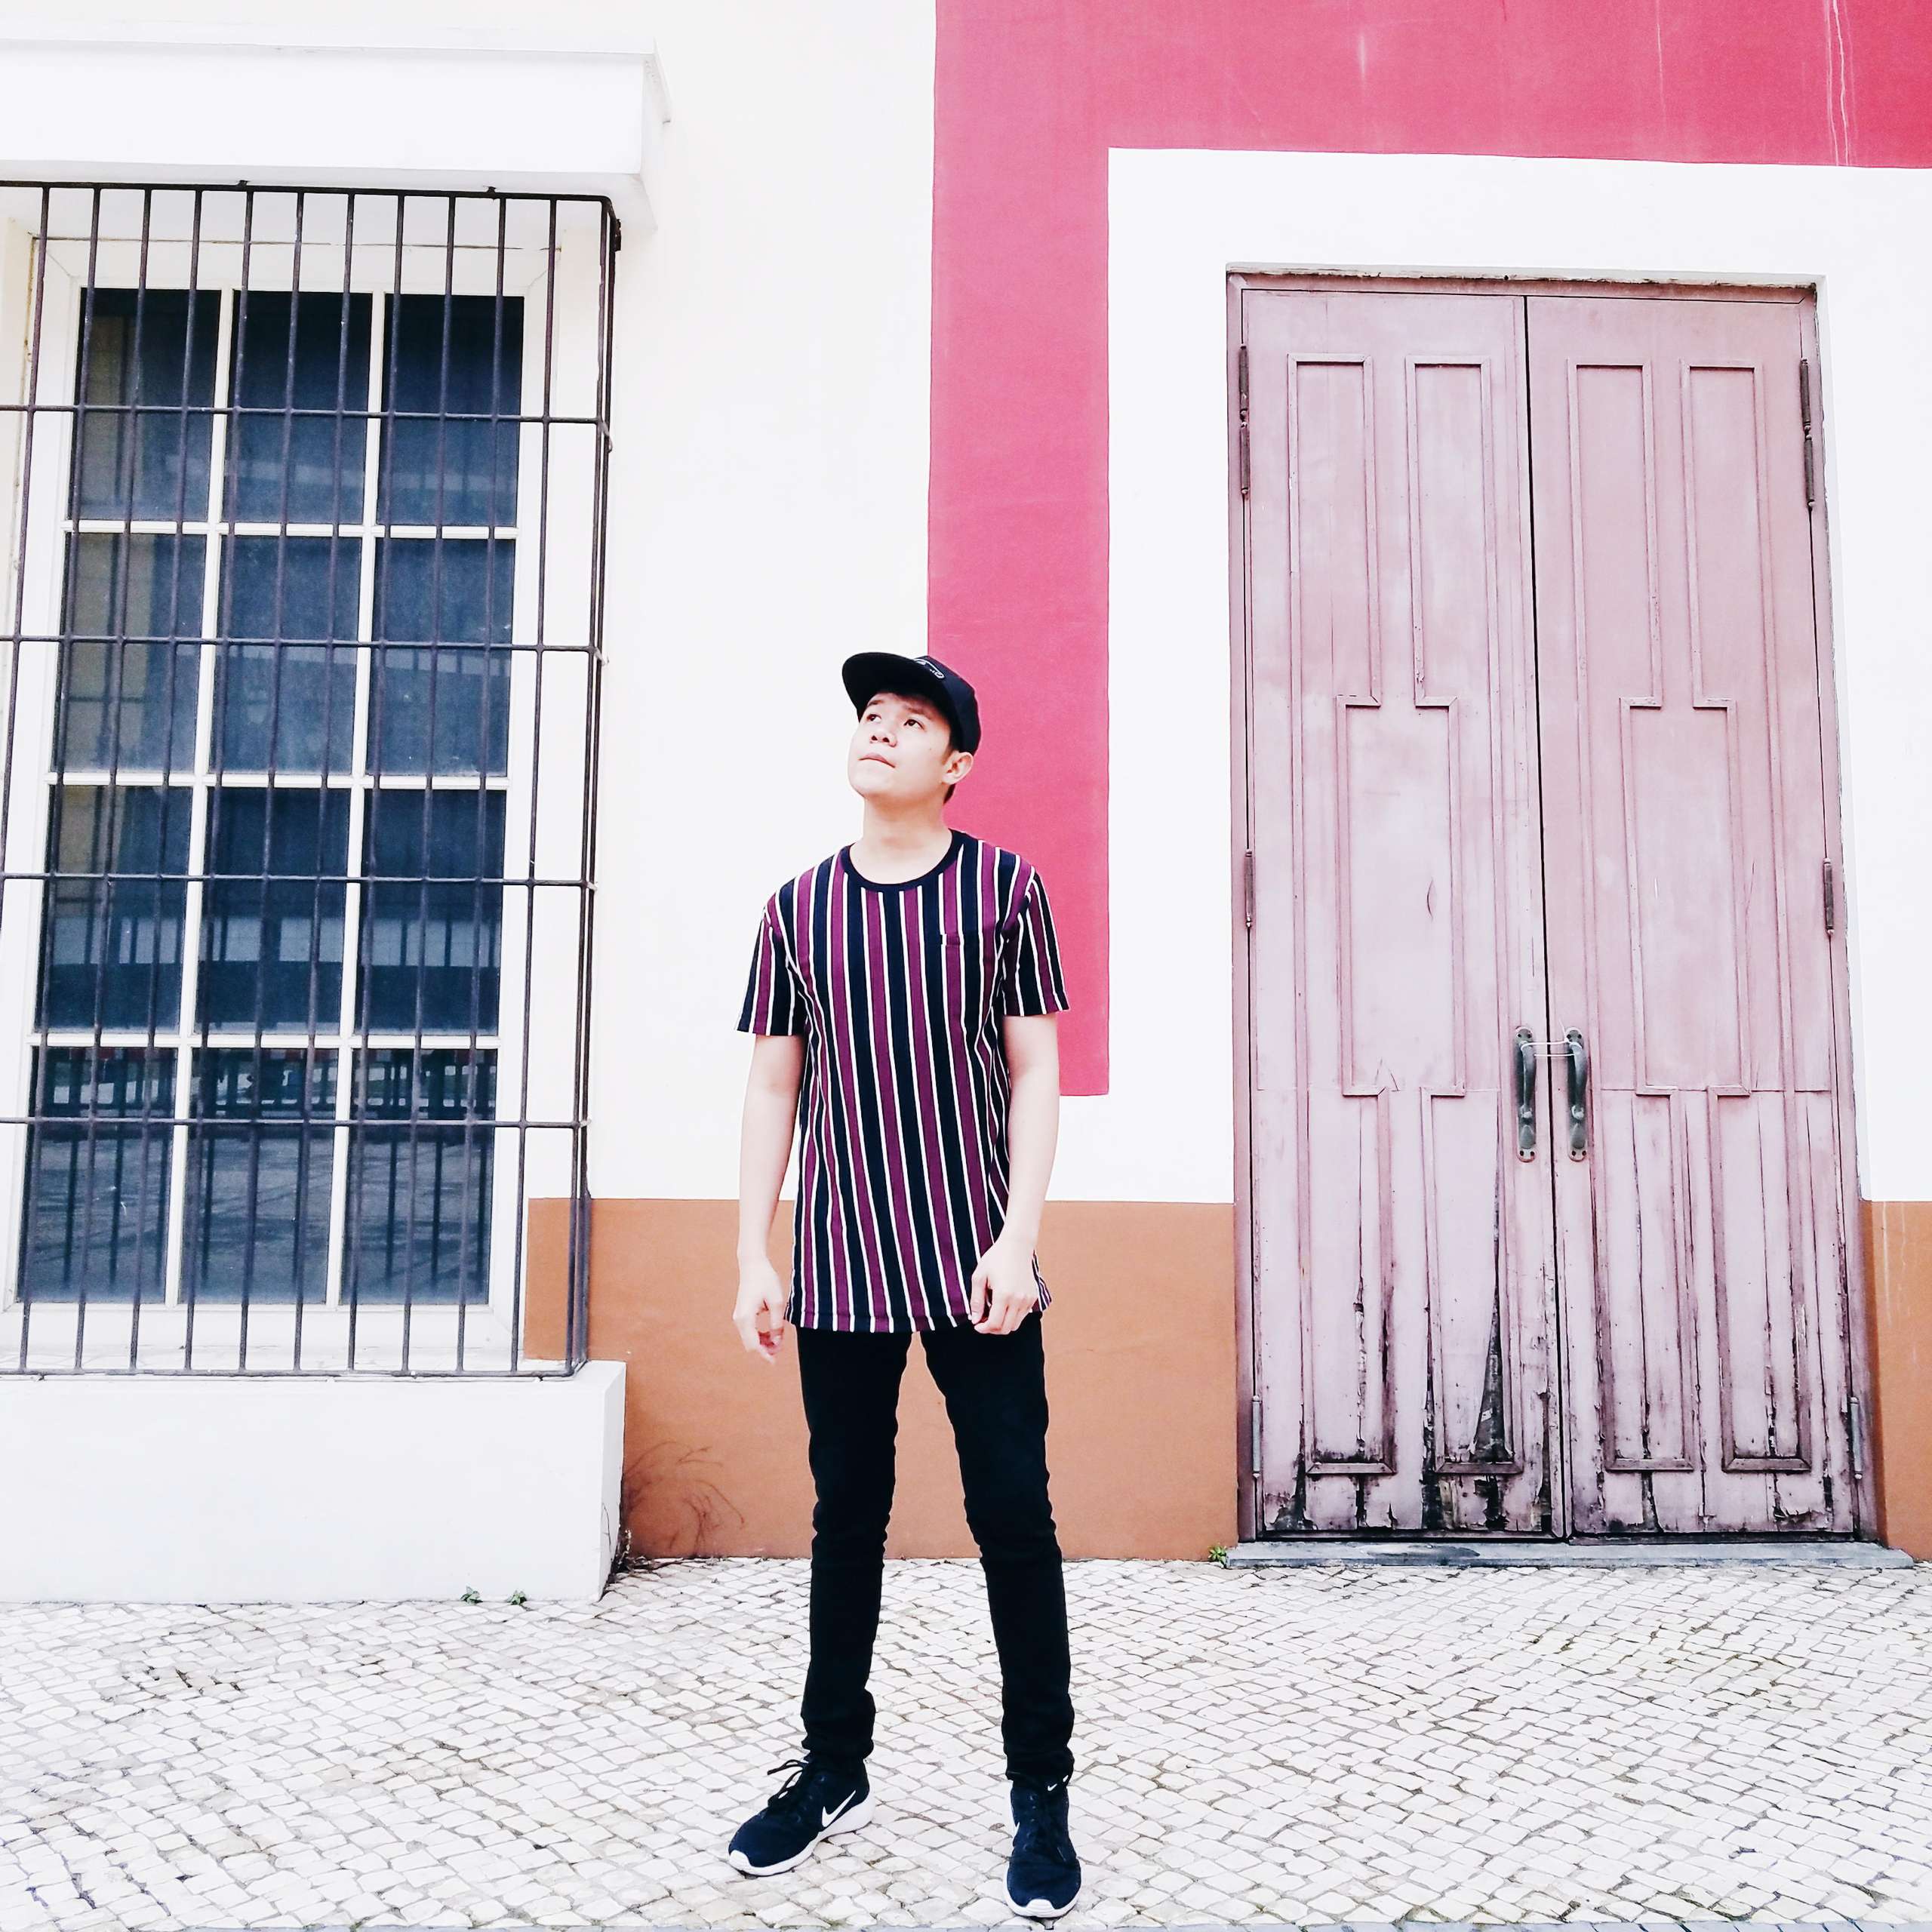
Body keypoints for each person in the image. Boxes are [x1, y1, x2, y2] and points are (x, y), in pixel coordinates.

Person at [726, 650, 1081, 1919]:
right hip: (838, 1267)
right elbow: (775, 1086)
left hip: (979, 1263)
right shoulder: (796, 908)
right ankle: (832, 1768)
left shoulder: (1004, 891)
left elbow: (1037, 1071)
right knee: (846, 1521)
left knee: (1013, 1520)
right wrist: (752, 1252)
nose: (878, 732)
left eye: (909, 720)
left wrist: (1016, 1238)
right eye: (869, 716)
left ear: (957, 763)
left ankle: (1040, 1789)